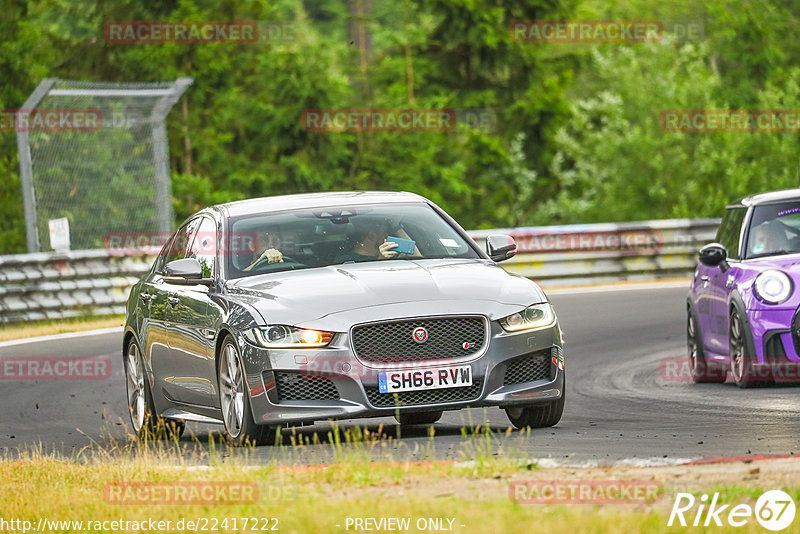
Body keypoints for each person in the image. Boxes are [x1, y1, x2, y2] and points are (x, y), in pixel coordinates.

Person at [335, 218, 401, 263]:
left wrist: (396, 225)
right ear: (372, 235)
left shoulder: (389, 255)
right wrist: (381, 261)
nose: (386, 235)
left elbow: (411, 251)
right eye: (384, 233)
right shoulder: (346, 261)